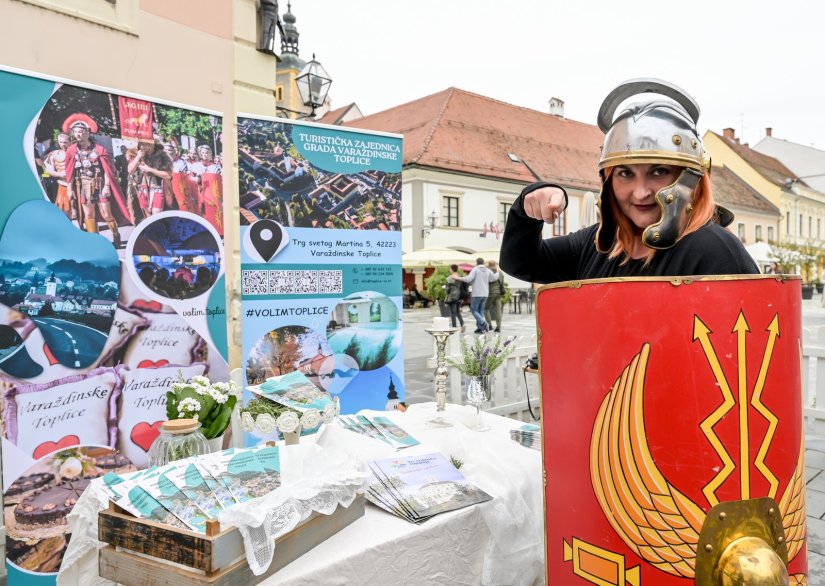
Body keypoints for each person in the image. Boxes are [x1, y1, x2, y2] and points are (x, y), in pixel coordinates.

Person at [500, 78, 758, 283]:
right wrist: (530, 202)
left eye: (658, 171)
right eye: (625, 173)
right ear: (608, 180)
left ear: (690, 177)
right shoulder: (599, 246)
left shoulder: (715, 250)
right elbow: (521, 262)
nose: (640, 192)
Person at [63, 113, 131, 247]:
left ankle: (116, 234)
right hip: (82, 186)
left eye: (81, 132)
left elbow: (108, 170)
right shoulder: (71, 150)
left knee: (107, 215)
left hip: (99, 185)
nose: (78, 135)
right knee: (89, 215)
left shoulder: (100, 150)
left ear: (88, 133)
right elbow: (69, 171)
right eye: (76, 132)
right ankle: (96, 242)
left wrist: (106, 186)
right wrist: (69, 188)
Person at [458, 257, 500, 333]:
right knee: (480, 311)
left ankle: (483, 323)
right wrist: (497, 271)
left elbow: (468, 279)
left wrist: (458, 278)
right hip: (485, 294)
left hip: (477, 294)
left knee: (473, 310)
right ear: (483, 263)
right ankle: (481, 328)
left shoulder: (475, 269)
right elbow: (493, 278)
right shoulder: (488, 270)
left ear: (477, 263)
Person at [43, 133, 74, 220]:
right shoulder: (54, 154)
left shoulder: (77, 152)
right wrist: (59, 174)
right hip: (63, 185)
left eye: (65, 142)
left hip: (79, 185)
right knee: (64, 211)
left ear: (70, 142)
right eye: (61, 142)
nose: (63, 144)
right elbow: (48, 170)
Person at [484, 260, 505, 332]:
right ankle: (498, 327)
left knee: (486, 309)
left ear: (489, 265)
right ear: (495, 264)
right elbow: (502, 282)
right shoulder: (500, 273)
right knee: (498, 310)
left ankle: (489, 325)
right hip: (498, 293)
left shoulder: (487, 272)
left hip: (490, 293)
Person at [444, 264, 466, 332]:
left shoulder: (449, 278)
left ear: (451, 269)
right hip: (460, 296)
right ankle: (462, 324)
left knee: (453, 313)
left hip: (452, 297)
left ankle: (454, 327)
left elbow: (447, 290)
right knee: (457, 312)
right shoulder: (460, 276)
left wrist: (445, 288)